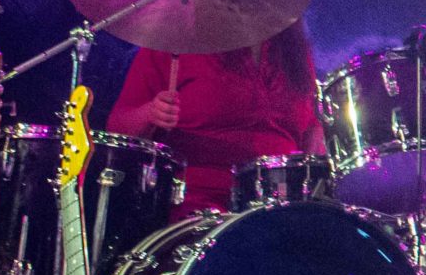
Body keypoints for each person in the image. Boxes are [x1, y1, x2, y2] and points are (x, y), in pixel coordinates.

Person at [107, 19, 324, 219]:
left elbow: (311, 130)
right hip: (197, 203)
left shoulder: (294, 49)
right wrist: (151, 113)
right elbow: (117, 129)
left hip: (282, 202)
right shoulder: (176, 39)